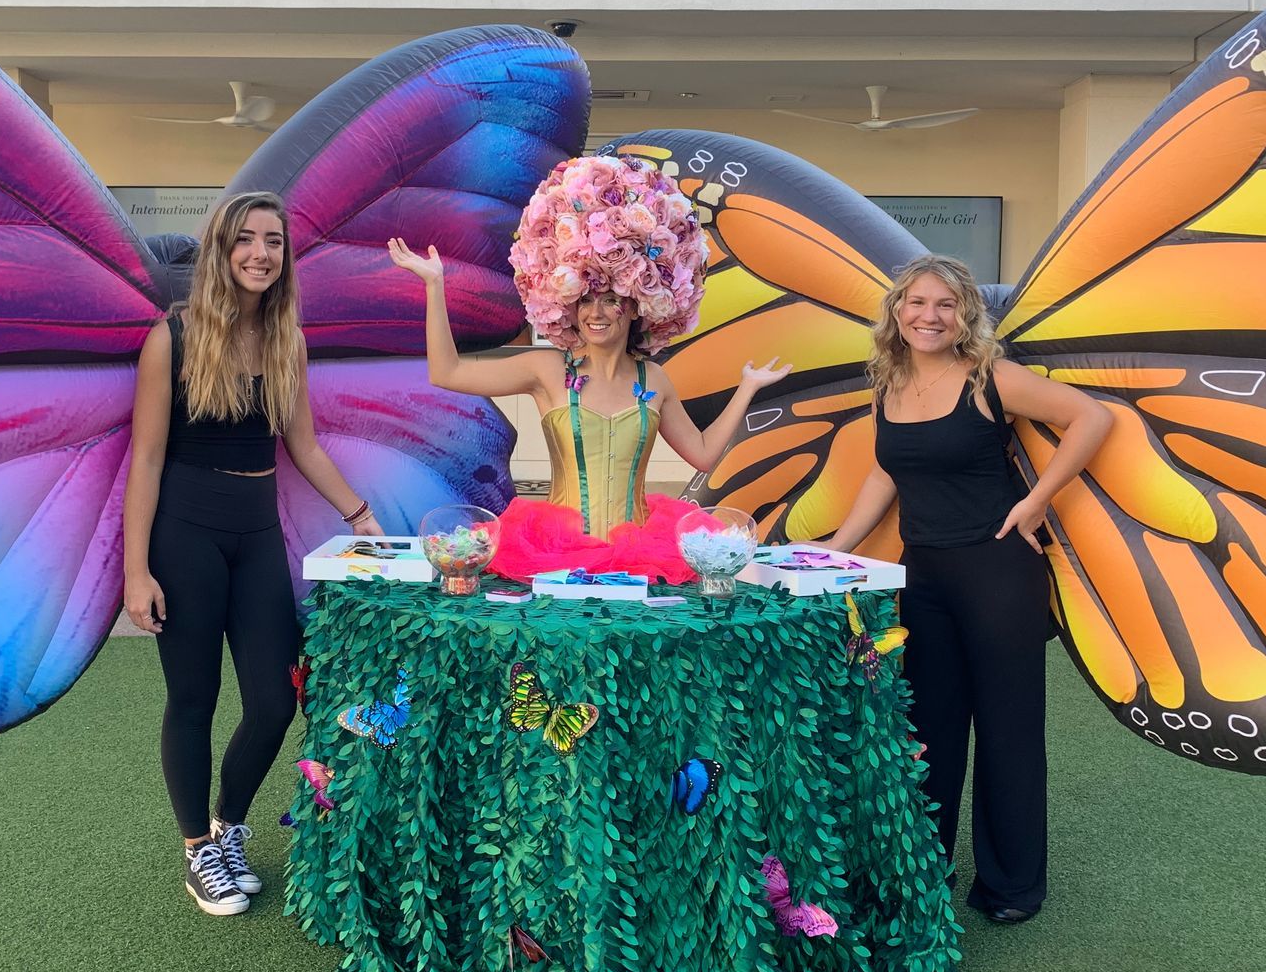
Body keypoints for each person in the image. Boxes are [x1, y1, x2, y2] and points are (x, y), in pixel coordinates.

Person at [123, 190, 383, 918]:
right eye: (246, 240)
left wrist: (361, 514)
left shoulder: (285, 341)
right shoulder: (169, 338)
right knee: (194, 699)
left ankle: (227, 825)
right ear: (220, 250)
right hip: (185, 534)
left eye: (273, 241)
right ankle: (195, 850)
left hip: (258, 533)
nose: (260, 253)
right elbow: (144, 460)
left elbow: (300, 444)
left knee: (275, 698)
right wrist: (135, 570)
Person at [827, 254, 1109, 926]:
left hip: (998, 570)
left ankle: (1012, 887)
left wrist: (1038, 500)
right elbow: (885, 475)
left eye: (945, 305)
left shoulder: (990, 379)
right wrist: (834, 548)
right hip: (925, 577)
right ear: (897, 312)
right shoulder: (887, 384)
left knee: (1008, 729)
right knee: (931, 729)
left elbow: (1091, 418)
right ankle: (923, 868)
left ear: (965, 317)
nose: (929, 316)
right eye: (917, 303)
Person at [386, 154, 789, 580]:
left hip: (641, 553)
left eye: (611, 298)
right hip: (554, 549)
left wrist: (747, 387)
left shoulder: (653, 379)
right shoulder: (546, 369)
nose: (596, 312)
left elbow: (704, 455)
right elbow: (446, 373)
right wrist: (435, 286)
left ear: (637, 306)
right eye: (586, 298)